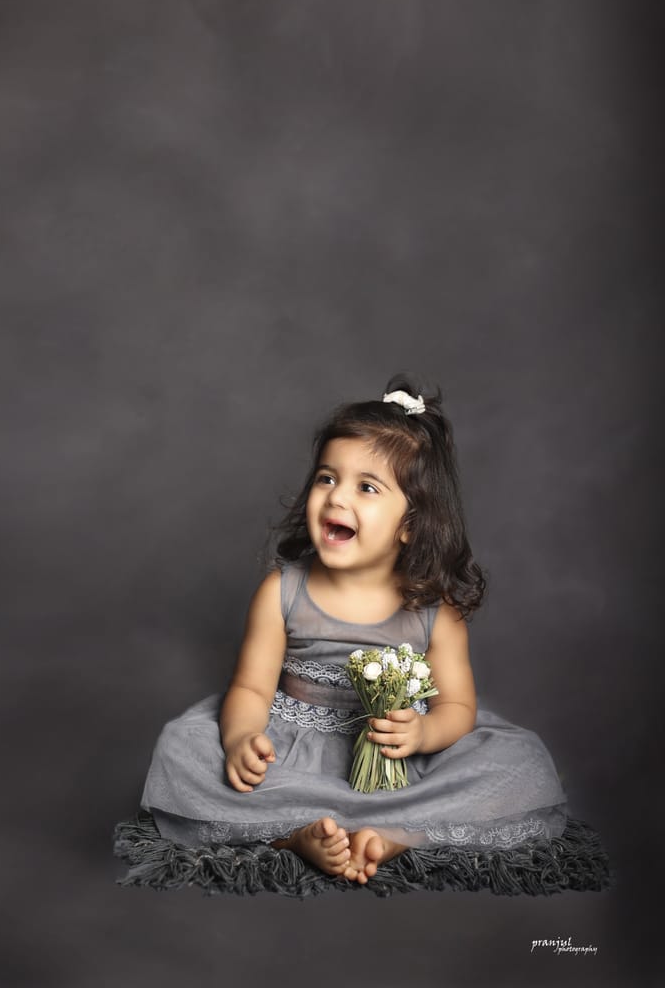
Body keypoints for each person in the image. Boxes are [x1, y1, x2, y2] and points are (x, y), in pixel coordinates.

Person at [140, 374, 567, 883]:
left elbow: (457, 705)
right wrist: (240, 739)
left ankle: (393, 835)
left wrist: (426, 731)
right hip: (296, 749)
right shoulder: (282, 592)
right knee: (181, 747)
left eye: (366, 487)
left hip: (398, 759)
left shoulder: (435, 607)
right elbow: (252, 686)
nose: (337, 498)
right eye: (326, 478)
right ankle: (296, 833)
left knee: (521, 761)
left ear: (411, 523)